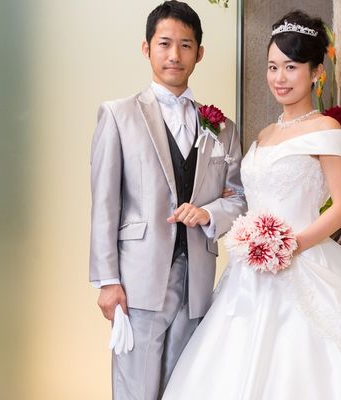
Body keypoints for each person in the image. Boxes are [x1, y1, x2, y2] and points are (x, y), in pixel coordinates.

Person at [162, 10, 341, 400]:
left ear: (316, 72)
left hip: (304, 261)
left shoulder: (326, 129)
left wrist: (289, 246)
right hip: (249, 271)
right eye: (272, 67)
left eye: (291, 67)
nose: (279, 78)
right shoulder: (264, 134)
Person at [89, 1, 246, 399]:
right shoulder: (118, 115)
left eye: (185, 45)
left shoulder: (223, 128)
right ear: (147, 48)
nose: (175, 54)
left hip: (197, 280)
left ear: (199, 53)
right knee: (136, 387)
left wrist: (208, 212)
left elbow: (239, 198)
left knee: (185, 386)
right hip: (138, 280)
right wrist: (108, 281)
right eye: (164, 43)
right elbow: (104, 204)